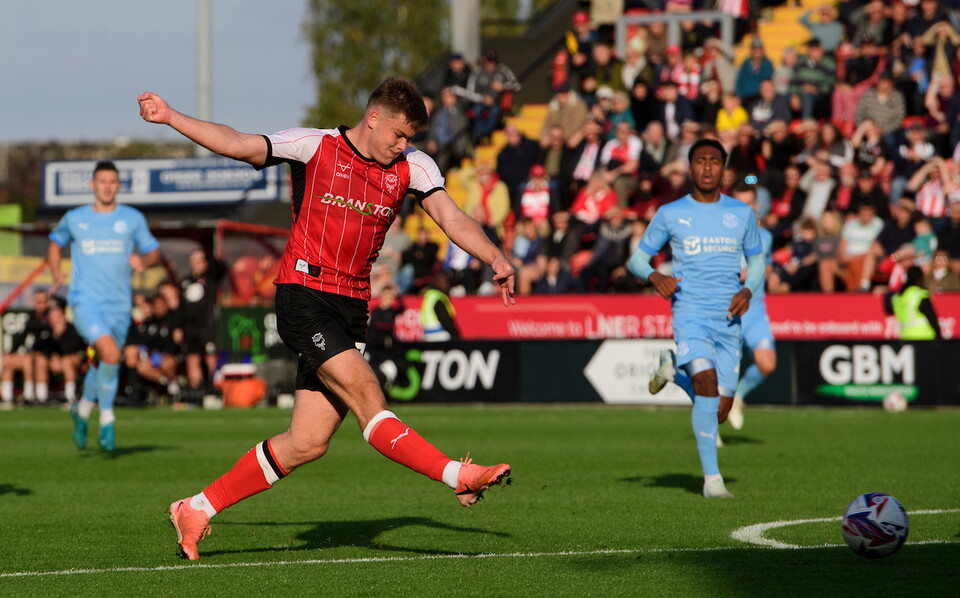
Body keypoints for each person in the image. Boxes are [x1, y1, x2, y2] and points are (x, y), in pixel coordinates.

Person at [138, 75, 516, 560]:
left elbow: (453, 218)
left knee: (307, 442)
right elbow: (237, 143)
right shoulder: (313, 146)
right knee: (368, 396)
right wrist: (171, 117)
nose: (402, 146)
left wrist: (494, 257)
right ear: (373, 117)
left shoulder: (413, 166)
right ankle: (455, 474)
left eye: (410, 139)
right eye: (397, 134)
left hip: (352, 307)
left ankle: (196, 507)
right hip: (303, 295)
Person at [628, 139, 764, 499]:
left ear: (724, 170)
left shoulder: (742, 214)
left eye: (714, 161)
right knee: (704, 381)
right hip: (690, 314)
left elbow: (758, 263)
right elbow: (637, 260)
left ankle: (672, 371)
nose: (707, 167)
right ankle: (713, 482)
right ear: (689, 169)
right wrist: (656, 277)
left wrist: (747, 290)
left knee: (719, 410)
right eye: (700, 161)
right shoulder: (671, 213)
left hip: (729, 320)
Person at [47, 160, 161, 451]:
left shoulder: (132, 218)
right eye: (102, 181)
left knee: (103, 362)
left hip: (120, 306)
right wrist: (56, 272)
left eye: (112, 181)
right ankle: (107, 419)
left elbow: (153, 252)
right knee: (110, 354)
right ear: (92, 185)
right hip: (84, 301)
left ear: (118, 185)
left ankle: (83, 410)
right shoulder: (75, 218)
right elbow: (55, 243)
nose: (107, 187)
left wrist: (143, 260)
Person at [726, 185, 777, 432]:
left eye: (749, 204)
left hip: (755, 310)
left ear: (756, 205)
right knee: (715, 375)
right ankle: (709, 435)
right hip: (728, 310)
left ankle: (739, 396)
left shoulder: (765, 237)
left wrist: (766, 273)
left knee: (767, 364)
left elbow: (766, 265)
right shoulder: (721, 235)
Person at [179, 249, 226, 397]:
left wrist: (207, 257)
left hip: (207, 326)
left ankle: (214, 388)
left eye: (199, 260)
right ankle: (195, 391)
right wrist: (178, 327)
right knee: (192, 358)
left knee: (210, 357)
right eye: (193, 260)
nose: (196, 264)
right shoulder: (186, 281)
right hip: (189, 327)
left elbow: (222, 266)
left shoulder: (211, 278)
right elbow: (180, 307)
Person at [884, 266, 941, 340]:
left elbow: (888, 309)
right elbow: (931, 318)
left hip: (906, 337)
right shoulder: (920, 294)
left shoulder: (897, 297)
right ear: (921, 278)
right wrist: (939, 337)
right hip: (925, 337)